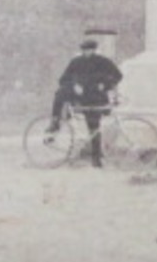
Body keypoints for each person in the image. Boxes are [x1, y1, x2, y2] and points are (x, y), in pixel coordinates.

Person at [48, 39, 124, 167]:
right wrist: (74, 85)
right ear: (82, 50)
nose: (87, 52)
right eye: (85, 50)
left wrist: (105, 85)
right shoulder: (76, 62)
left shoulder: (103, 62)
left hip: (96, 97)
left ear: (94, 50)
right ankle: (55, 122)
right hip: (79, 97)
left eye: (90, 50)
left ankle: (96, 158)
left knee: (94, 127)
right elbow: (63, 79)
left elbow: (118, 75)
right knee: (60, 93)